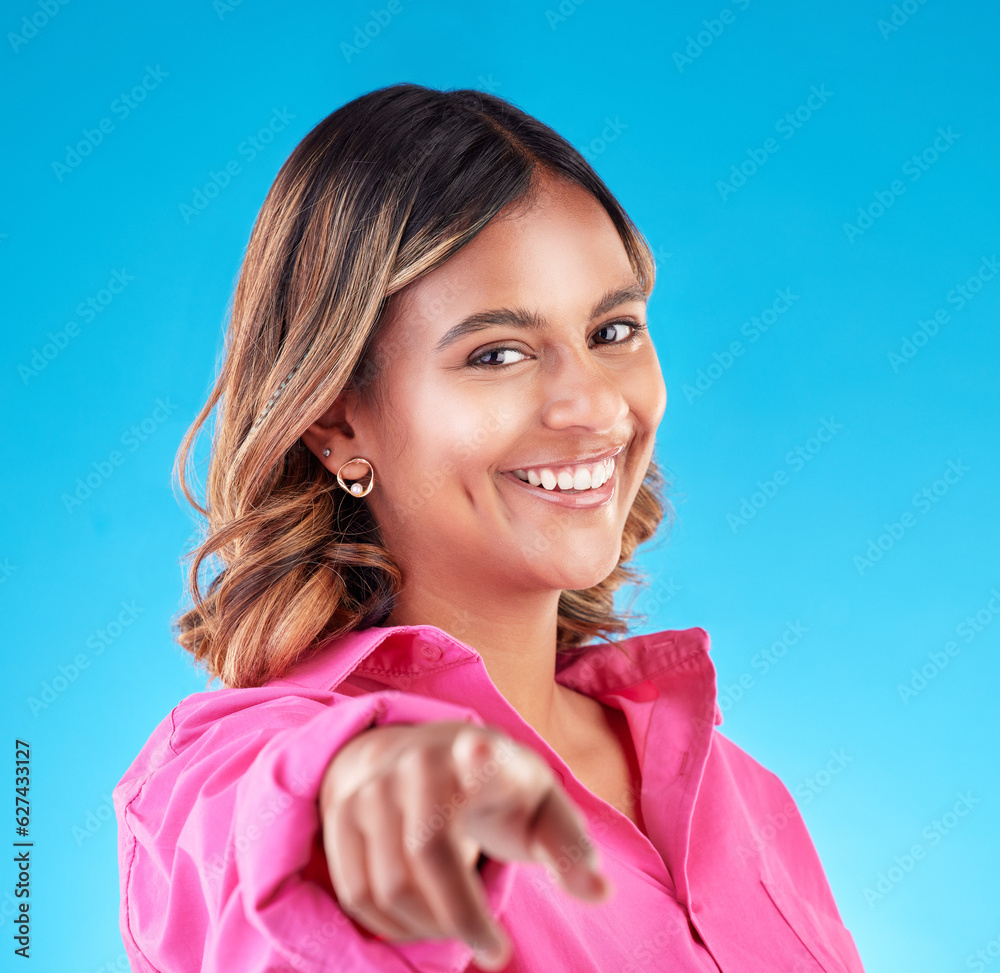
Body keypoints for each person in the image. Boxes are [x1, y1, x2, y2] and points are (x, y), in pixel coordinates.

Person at [113, 83, 866, 972]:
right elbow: (235, 829)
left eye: (613, 329)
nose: (592, 404)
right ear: (339, 425)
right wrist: (344, 785)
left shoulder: (739, 791)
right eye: (497, 353)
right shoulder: (231, 776)